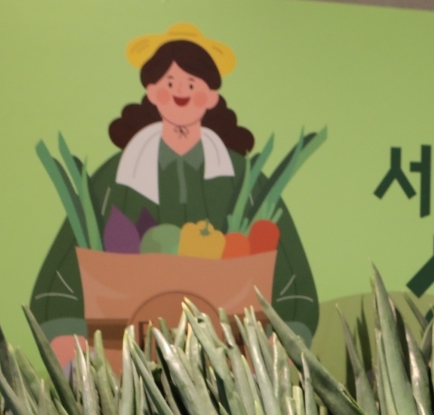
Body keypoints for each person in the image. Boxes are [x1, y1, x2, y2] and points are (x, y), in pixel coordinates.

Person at [28, 23, 317, 347]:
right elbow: (59, 283)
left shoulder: (247, 183)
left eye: (192, 83)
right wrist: (66, 338)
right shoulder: (113, 178)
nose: (181, 91)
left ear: (212, 97)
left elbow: (294, 287)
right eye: (169, 82)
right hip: (125, 364)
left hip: (233, 368)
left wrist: (285, 341)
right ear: (152, 91)